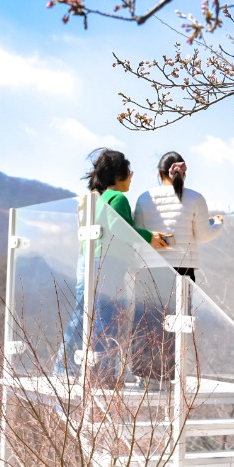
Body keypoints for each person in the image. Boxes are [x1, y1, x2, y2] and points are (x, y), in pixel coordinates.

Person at [54, 149, 168, 386]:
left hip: (90, 260)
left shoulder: (97, 199)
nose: (131, 177)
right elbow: (119, 227)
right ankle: (102, 373)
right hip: (109, 263)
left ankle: (66, 367)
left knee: (84, 316)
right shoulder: (118, 198)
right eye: (129, 172)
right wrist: (149, 237)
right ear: (119, 175)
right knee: (107, 318)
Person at [132, 151, 224, 384]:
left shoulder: (144, 198)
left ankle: (145, 377)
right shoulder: (195, 198)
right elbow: (203, 235)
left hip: (149, 268)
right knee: (176, 324)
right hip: (182, 269)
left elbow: (138, 234)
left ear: (159, 172)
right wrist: (218, 223)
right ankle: (169, 377)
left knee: (147, 323)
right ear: (183, 173)